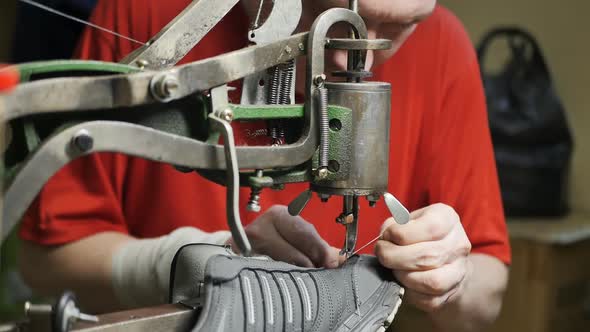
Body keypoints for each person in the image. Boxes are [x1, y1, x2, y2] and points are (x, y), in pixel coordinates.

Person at [17, 1, 511, 331]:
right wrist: (203, 257)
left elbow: (488, 297)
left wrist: (450, 275)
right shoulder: (145, 12)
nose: (354, 58)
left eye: (399, 29)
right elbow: (45, 263)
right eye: (329, 15)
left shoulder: (443, 44)